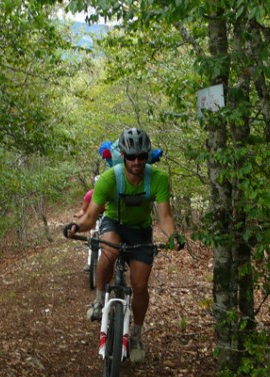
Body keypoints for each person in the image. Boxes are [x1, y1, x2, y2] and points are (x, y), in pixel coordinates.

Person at [64, 128, 184, 363]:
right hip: (114, 224)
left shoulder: (158, 178)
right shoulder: (110, 178)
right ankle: (100, 301)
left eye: (141, 156)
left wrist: (173, 236)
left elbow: (165, 217)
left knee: (140, 286)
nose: (136, 161)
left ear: (147, 155)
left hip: (140, 230)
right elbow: (90, 217)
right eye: (131, 156)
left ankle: (136, 336)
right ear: (123, 155)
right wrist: (77, 226)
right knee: (108, 250)